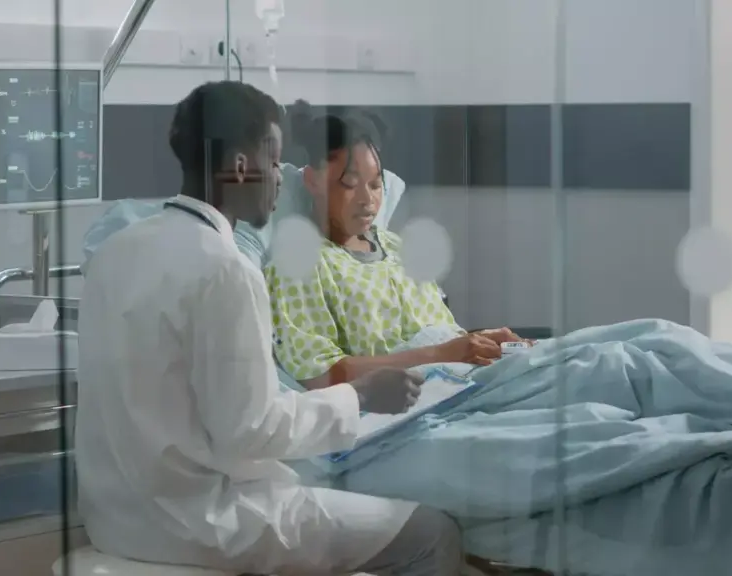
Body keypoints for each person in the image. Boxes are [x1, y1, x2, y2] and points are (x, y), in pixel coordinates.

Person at [75, 81, 463, 575]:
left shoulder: (115, 252)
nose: (282, 181)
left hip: (114, 519)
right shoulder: (227, 270)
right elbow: (250, 431)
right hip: (202, 522)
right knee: (432, 533)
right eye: (275, 162)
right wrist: (361, 396)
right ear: (241, 166)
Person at [265, 110, 525, 389]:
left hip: (466, 375)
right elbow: (320, 373)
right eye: (350, 184)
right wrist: (441, 354)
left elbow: (437, 335)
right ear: (312, 181)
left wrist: (481, 341)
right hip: (416, 394)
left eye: (376, 185)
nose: (367, 200)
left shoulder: (396, 247)